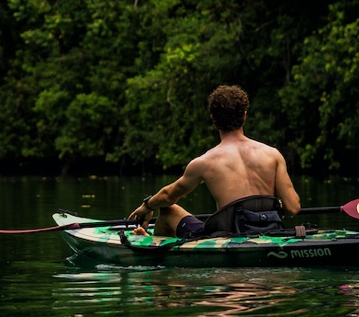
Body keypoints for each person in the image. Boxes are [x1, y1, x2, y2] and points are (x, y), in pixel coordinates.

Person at [127, 84, 301, 238]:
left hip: (228, 236)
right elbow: (293, 207)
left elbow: (168, 196)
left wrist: (147, 205)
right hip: (272, 231)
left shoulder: (204, 163)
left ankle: (152, 243)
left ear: (213, 119)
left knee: (167, 210)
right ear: (244, 115)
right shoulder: (273, 155)